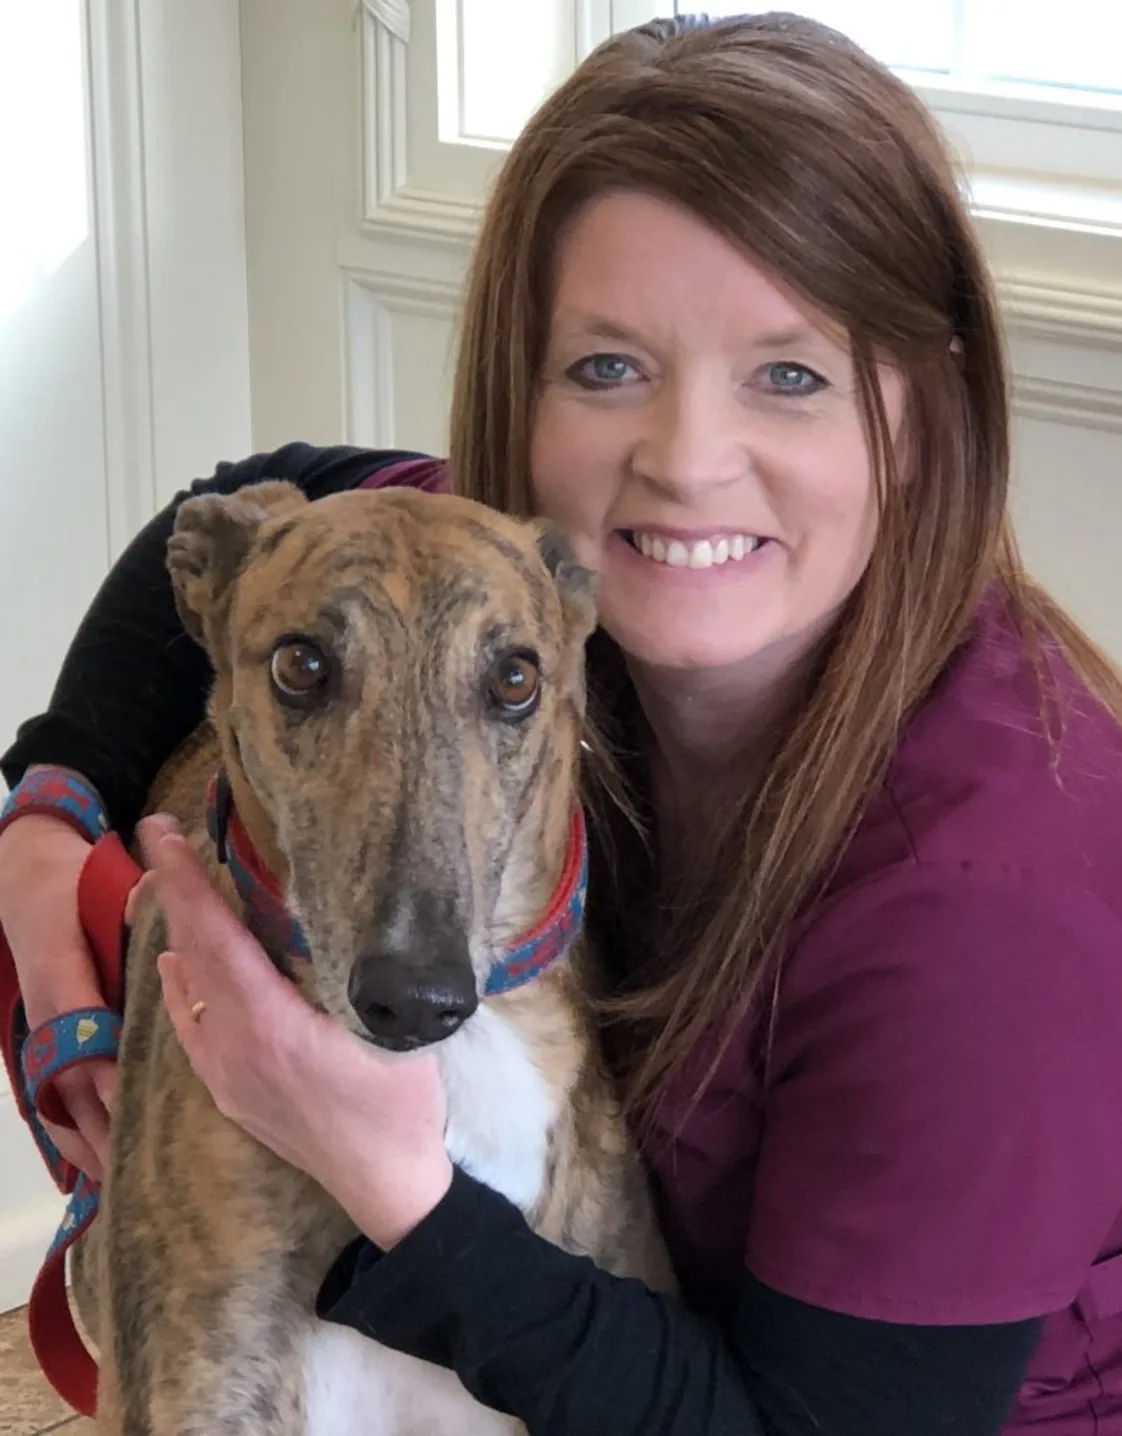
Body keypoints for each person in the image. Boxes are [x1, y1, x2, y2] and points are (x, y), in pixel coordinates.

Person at [2, 11, 1121, 1434]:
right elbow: (232, 511)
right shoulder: (536, 574)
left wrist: (398, 1193)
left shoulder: (994, 906)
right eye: (605, 368)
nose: (687, 461)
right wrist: (49, 820)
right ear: (522, 396)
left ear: (924, 408)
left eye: (789, 374)